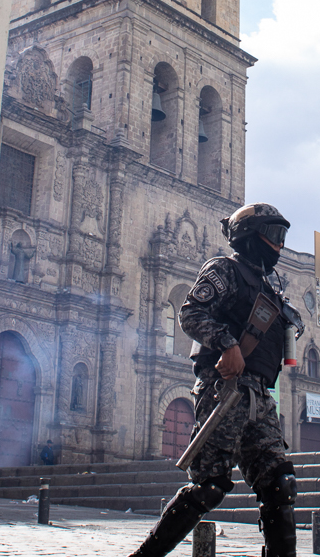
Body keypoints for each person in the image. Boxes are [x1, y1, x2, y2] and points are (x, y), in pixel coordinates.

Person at [129, 203, 303, 557]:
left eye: (283, 237)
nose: (279, 245)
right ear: (249, 235)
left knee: (280, 483)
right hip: (225, 392)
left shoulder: (270, 286)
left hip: (260, 396)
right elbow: (190, 312)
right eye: (273, 235)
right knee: (209, 486)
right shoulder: (224, 269)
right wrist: (228, 343)